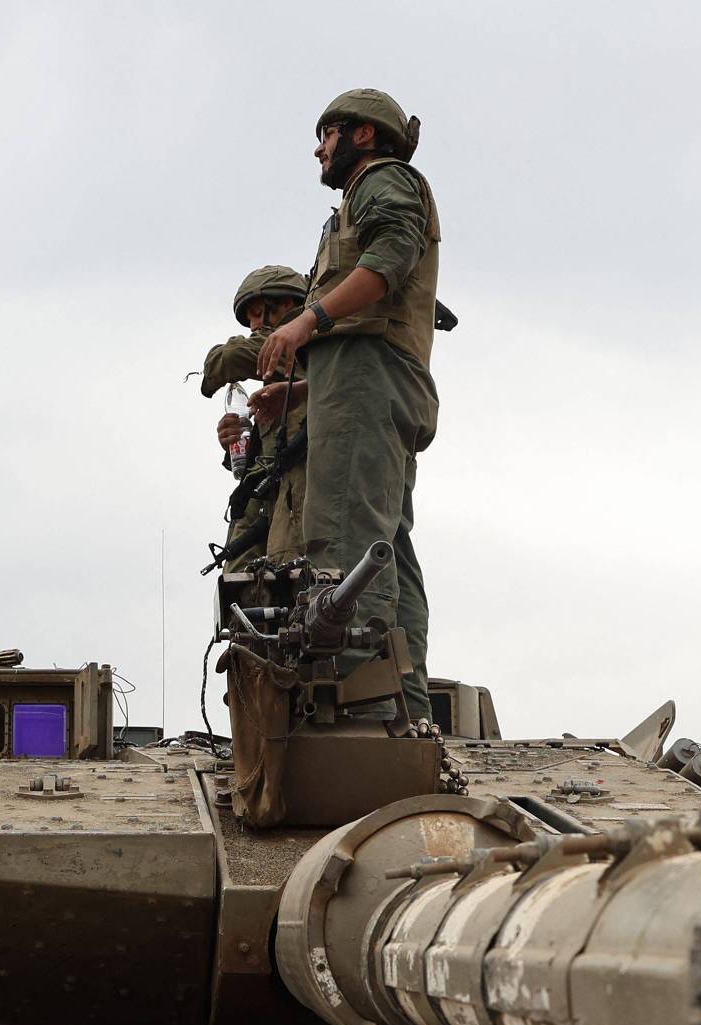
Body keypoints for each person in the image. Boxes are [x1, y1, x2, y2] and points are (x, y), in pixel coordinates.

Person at [257, 89, 441, 726]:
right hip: (367, 384)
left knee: (347, 548)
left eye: (327, 132)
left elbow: (387, 265)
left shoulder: (382, 182)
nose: (318, 147)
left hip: (371, 385)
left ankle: (366, 726)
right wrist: (304, 391)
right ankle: (405, 713)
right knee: (387, 547)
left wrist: (304, 323)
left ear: (362, 135)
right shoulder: (364, 195)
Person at [200, 266, 309, 568]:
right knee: (245, 590)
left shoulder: (304, 340)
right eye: (251, 321)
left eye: (261, 314)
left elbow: (225, 359)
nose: (256, 327)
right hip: (270, 499)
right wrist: (239, 445)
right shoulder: (278, 376)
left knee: (291, 578)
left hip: (298, 496)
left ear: (289, 305)